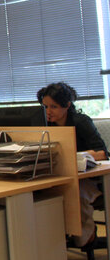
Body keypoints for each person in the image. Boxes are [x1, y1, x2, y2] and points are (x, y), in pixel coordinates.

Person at [37, 82, 107, 248]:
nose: (48, 112)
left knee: (76, 192)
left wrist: (77, 156)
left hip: (89, 178)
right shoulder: (46, 125)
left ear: (67, 105)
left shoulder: (80, 122)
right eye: (45, 106)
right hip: (62, 175)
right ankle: (54, 242)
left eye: (53, 107)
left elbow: (103, 153)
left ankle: (85, 237)